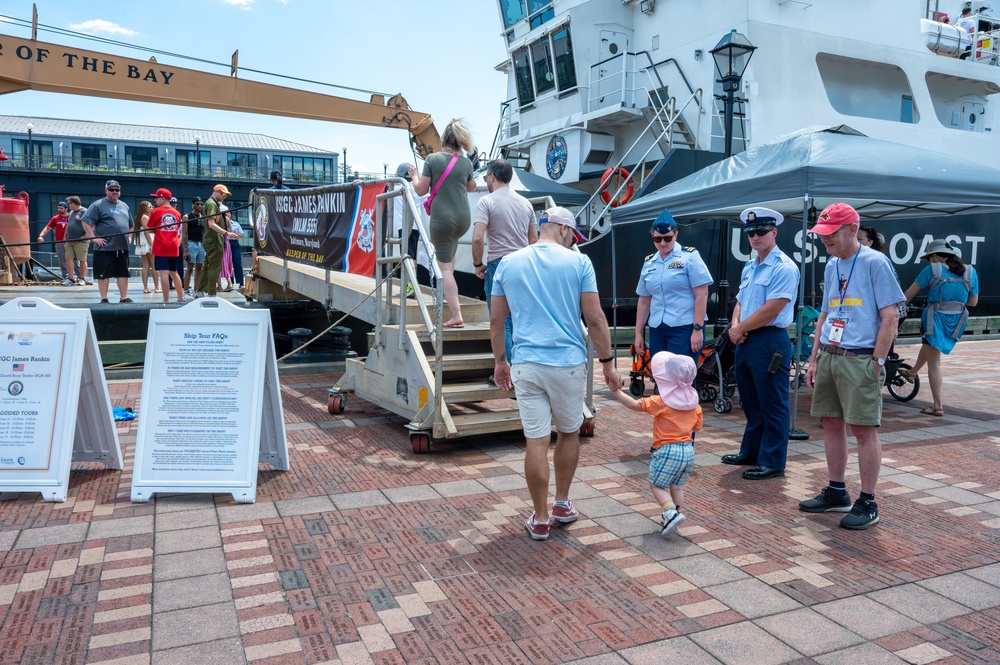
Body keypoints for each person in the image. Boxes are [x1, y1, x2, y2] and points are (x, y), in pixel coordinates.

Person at [489, 206, 620, 541]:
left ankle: (541, 517)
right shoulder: (579, 262)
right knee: (568, 433)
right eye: (573, 237)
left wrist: (500, 361)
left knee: (536, 441)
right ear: (564, 229)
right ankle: (561, 503)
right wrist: (608, 362)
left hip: (526, 363)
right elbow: (594, 319)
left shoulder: (508, 262)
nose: (573, 242)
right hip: (568, 364)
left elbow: (496, 321)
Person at [800, 203, 905, 530]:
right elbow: (825, 314)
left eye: (829, 234)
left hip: (860, 357)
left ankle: (868, 502)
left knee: (863, 430)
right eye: (821, 235)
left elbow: (891, 316)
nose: (823, 240)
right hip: (832, 354)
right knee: (831, 424)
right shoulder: (832, 265)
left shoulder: (876, 262)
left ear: (850, 230)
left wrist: (877, 361)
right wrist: (814, 358)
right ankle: (836, 491)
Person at [721, 207, 800, 480]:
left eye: (761, 232)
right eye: (751, 233)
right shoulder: (749, 266)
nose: (755, 237)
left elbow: (774, 308)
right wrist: (735, 327)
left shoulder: (784, 267)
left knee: (773, 402)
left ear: (774, 232)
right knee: (751, 401)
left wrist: (740, 327)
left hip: (769, 340)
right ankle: (752, 451)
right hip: (746, 338)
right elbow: (741, 301)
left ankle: (773, 461)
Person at [609, 352, 702, 537]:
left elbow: (635, 405)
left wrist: (616, 391)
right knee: (677, 486)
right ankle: (674, 513)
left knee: (656, 485)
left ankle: (670, 513)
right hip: (688, 451)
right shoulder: (694, 403)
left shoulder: (662, 402)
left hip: (668, 449)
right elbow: (697, 427)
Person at [471, 158, 537, 374]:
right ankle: (524, 370)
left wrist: (478, 264)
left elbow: (477, 239)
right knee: (521, 318)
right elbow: (534, 241)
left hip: (499, 264)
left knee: (501, 321)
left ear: (491, 177)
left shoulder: (486, 202)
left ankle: (508, 372)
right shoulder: (526, 203)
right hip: (524, 264)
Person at [899, 239, 979, 417]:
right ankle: (912, 373)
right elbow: (973, 302)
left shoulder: (932, 269)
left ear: (935, 255)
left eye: (929, 257)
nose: (929, 261)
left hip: (934, 319)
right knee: (929, 348)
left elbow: (907, 296)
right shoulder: (970, 271)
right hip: (957, 320)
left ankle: (937, 406)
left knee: (934, 362)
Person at [414, 118, 477, 328]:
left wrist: (414, 176)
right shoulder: (466, 162)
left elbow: (421, 190)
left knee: (445, 270)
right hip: (463, 219)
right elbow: (471, 186)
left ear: (442, 141)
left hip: (443, 220)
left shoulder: (432, 159)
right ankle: (451, 298)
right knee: (450, 260)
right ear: (460, 143)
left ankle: (456, 313)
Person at [634, 209, 713, 364]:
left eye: (667, 238)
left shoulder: (689, 257)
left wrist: (697, 329)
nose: (663, 243)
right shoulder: (649, 262)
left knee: (681, 377)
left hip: (684, 326)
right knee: (661, 375)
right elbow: (644, 300)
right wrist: (638, 333)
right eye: (658, 239)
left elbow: (702, 294)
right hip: (658, 327)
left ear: (676, 235)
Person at [82, 180, 133, 304]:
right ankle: (104, 299)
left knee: (123, 273)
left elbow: (131, 225)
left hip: (122, 246)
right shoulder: (98, 205)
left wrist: (130, 237)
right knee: (103, 275)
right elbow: (85, 221)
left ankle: (123, 298)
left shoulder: (124, 206)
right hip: (104, 246)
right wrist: (93, 238)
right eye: (111, 189)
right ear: (106, 191)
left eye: (117, 190)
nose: (115, 192)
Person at [390, 162, 430, 295]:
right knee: (412, 256)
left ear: (398, 176)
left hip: (404, 226)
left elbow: (380, 187)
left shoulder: (396, 189)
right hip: (415, 227)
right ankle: (411, 284)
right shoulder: (417, 189)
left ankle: (411, 285)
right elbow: (427, 196)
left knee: (406, 256)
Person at [147, 188, 187, 303]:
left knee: (164, 272)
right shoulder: (177, 213)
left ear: (163, 198)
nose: (155, 200)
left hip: (161, 245)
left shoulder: (156, 211)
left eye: (157, 198)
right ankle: (181, 297)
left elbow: (150, 229)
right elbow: (178, 230)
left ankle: (166, 299)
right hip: (174, 245)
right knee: (174, 272)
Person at [198, 185, 238, 297]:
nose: (225, 197)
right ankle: (211, 293)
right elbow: (211, 224)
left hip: (212, 240)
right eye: (223, 194)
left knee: (207, 266)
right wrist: (226, 233)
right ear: (217, 192)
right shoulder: (211, 204)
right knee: (214, 267)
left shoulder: (213, 204)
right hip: (214, 240)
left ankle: (200, 291)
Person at [38, 201, 71, 284]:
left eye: (61, 208)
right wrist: (41, 236)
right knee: (62, 260)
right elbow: (48, 228)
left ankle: (79, 277)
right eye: (58, 208)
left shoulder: (71, 217)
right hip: (59, 242)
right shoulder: (55, 218)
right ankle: (66, 278)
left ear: (66, 208)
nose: (59, 210)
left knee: (74, 260)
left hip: (71, 242)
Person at [63, 196, 91, 286]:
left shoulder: (85, 211)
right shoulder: (71, 212)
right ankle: (70, 278)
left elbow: (91, 224)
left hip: (81, 241)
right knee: (68, 259)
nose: (68, 205)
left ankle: (82, 278)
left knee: (82, 259)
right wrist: (64, 237)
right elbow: (68, 225)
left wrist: (86, 235)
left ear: (74, 203)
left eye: (69, 203)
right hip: (69, 240)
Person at [182, 197, 205, 297]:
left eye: (201, 204)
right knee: (190, 268)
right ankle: (186, 290)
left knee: (200, 268)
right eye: (197, 204)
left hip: (201, 244)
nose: (200, 206)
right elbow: (183, 233)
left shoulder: (202, 217)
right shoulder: (187, 217)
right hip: (191, 243)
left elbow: (204, 232)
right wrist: (185, 249)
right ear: (193, 205)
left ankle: (197, 290)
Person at [133, 201, 158, 294]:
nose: (152, 208)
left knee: (146, 266)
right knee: (154, 265)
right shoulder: (145, 217)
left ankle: (145, 287)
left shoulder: (138, 217)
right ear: (144, 208)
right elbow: (147, 232)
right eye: (150, 206)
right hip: (148, 242)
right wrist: (152, 245)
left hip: (143, 242)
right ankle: (156, 287)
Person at [219, 204, 235, 291]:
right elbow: (229, 230)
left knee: (219, 263)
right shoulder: (227, 219)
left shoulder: (217, 219)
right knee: (226, 263)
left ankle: (221, 285)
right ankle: (229, 284)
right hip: (227, 241)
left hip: (220, 241)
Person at [229, 208, 245, 290]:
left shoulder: (235, 224)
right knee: (228, 264)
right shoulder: (221, 224)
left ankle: (241, 282)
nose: (227, 215)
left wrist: (236, 234)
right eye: (225, 214)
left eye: (229, 213)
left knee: (237, 263)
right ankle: (230, 283)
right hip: (226, 244)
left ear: (231, 215)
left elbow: (242, 236)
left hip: (234, 243)